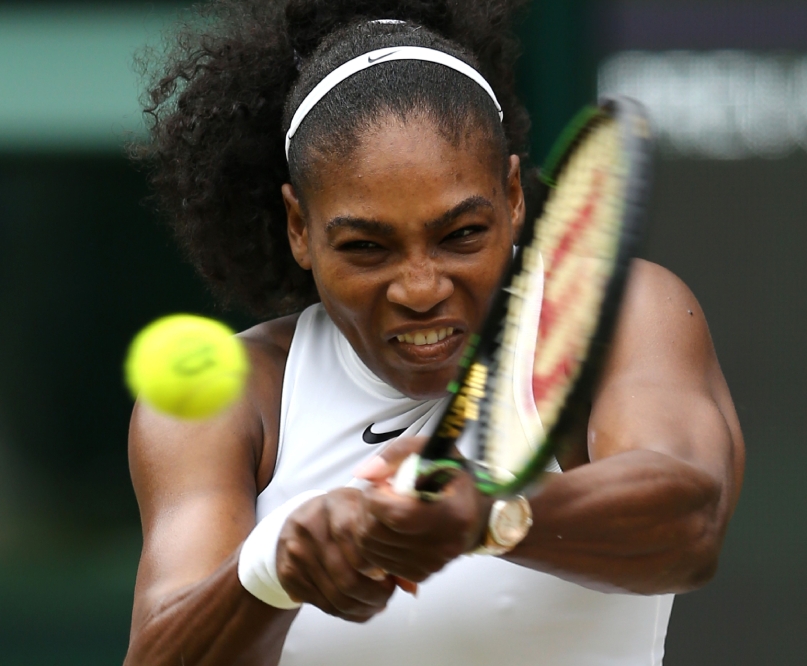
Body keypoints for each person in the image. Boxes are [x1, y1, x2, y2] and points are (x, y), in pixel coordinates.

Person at [124, 1, 745, 664]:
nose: (420, 289)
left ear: (512, 198)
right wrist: (273, 567)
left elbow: (689, 523)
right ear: (300, 228)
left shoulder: (619, 314)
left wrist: (491, 511)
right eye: (367, 247)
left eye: (461, 236)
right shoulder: (235, 399)